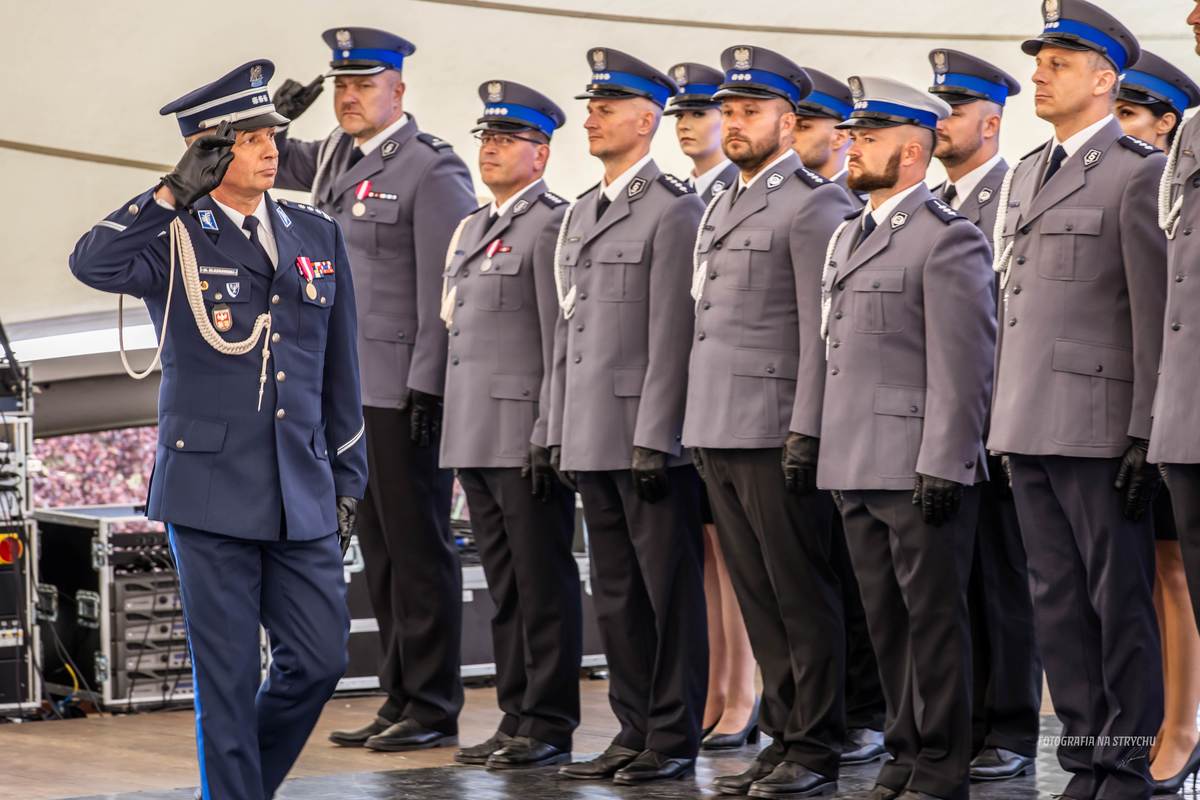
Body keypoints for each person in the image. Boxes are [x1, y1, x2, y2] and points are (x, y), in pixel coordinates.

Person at [68, 60, 367, 800]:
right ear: (209, 150)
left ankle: (237, 793)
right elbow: (90, 262)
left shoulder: (315, 232)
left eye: (275, 134)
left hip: (302, 489)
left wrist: (348, 482)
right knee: (227, 679)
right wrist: (171, 192)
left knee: (320, 660)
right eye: (252, 137)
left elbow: (341, 372)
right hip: (208, 492)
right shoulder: (172, 234)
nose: (272, 148)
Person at [271, 27, 478, 752]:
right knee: (381, 549)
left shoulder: (432, 169)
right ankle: (400, 696)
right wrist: (276, 113)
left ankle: (432, 704)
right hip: (346, 389)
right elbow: (265, 158)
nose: (349, 96)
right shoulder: (334, 154)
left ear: (399, 90)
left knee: (419, 547)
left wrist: (430, 384)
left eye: (363, 83)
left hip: (399, 390)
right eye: (340, 85)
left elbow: (446, 291)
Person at [989, 2, 1168, 797]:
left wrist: (1144, 431)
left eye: (1057, 62)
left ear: (1105, 80)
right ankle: (1086, 757)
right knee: (1056, 601)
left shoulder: (1137, 171)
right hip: (1028, 418)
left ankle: (1126, 760)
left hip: (1099, 426)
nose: (1039, 72)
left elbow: (1153, 309)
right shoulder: (1028, 172)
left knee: (1116, 602)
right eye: (1040, 60)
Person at [683, 45, 854, 799]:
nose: (734, 122)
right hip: (718, 423)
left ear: (789, 123)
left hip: (774, 424)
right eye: (728, 110)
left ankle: (816, 744)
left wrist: (808, 428)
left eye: (750, 111)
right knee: (758, 595)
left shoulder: (814, 203)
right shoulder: (723, 200)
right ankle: (785, 734)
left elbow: (825, 330)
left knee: (800, 594)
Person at [819, 76, 996, 800]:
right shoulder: (847, 233)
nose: (852, 148)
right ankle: (903, 748)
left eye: (869, 138)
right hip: (855, 459)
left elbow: (965, 364)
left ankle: (943, 763)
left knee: (934, 622)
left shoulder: (948, 239)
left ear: (914, 153)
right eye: (855, 136)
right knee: (884, 622)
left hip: (918, 465)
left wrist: (947, 462)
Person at [548, 47, 708, 785]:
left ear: (647, 119)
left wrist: (657, 436)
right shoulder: (583, 211)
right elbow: (568, 331)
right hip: (589, 431)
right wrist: (555, 428)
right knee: (613, 593)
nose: (592, 118)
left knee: (665, 593)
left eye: (606, 108)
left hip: (644, 440)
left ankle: (673, 737)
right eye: (592, 107)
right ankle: (632, 726)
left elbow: (674, 334)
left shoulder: (674, 209)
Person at [439, 80, 582, 771]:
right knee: (504, 588)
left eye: (508, 140)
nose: (491, 150)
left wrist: (549, 430)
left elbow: (559, 337)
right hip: (474, 430)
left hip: (525, 433)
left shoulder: (550, 224)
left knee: (541, 582)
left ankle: (549, 721)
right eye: (487, 139)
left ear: (541, 155)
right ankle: (515, 713)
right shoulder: (472, 226)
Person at [925, 48, 1042, 783]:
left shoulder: (1013, 193)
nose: (942, 124)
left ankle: (1011, 727)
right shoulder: (934, 206)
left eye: (956, 111)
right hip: (944, 425)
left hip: (999, 419)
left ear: (991, 121)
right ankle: (964, 721)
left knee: (1004, 582)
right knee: (954, 587)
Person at [789, 66, 890, 764]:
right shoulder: (839, 215)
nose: (847, 143)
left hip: (882, 432)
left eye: (852, 131)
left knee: (855, 591)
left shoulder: (826, 208)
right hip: (838, 428)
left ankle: (868, 716)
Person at [663, 59, 758, 750]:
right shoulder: (693, 195)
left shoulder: (732, 190)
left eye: (706, 113)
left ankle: (742, 689)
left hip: (740, 403)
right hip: (700, 401)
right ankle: (720, 686)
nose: (695, 125)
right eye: (688, 115)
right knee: (708, 554)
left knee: (735, 554)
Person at [1131, 43, 1200, 794]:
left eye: (1135, 115)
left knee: (1174, 574)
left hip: (1178, 406)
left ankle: (1183, 725)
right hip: (1160, 407)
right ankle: (1165, 722)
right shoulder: (1168, 177)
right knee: (1157, 575)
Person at [666, 62, 740, 205]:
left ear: (727, 118)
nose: (683, 126)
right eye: (679, 116)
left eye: (698, 114)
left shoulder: (744, 189)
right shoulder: (672, 195)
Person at [792, 69, 865, 206]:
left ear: (839, 138)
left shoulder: (857, 206)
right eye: (787, 125)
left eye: (803, 127)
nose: (789, 137)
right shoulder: (775, 193)